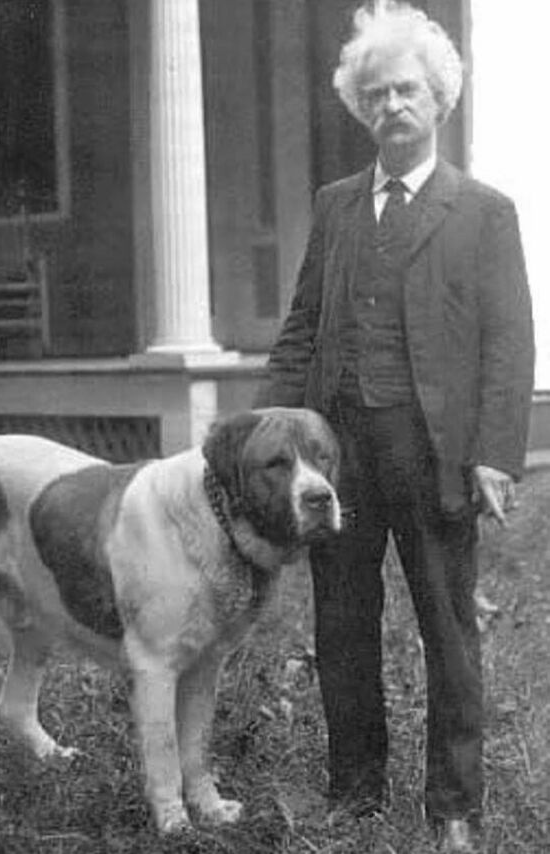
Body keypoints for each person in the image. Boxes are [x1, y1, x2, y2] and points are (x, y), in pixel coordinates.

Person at [255, 2, 534, 851]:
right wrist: (272, 435)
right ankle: (354, 787)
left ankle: (453, 805)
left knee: (448, 628)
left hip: (434, 452)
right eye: (375, 95)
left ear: (440, 98)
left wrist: (493, 454)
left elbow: (507, 340)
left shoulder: (482, 211)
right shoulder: (336, 205)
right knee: (341, 622)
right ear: (359, 106)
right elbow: (303, 324)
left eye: (407, 90)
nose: (392, 107)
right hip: (338, 456)